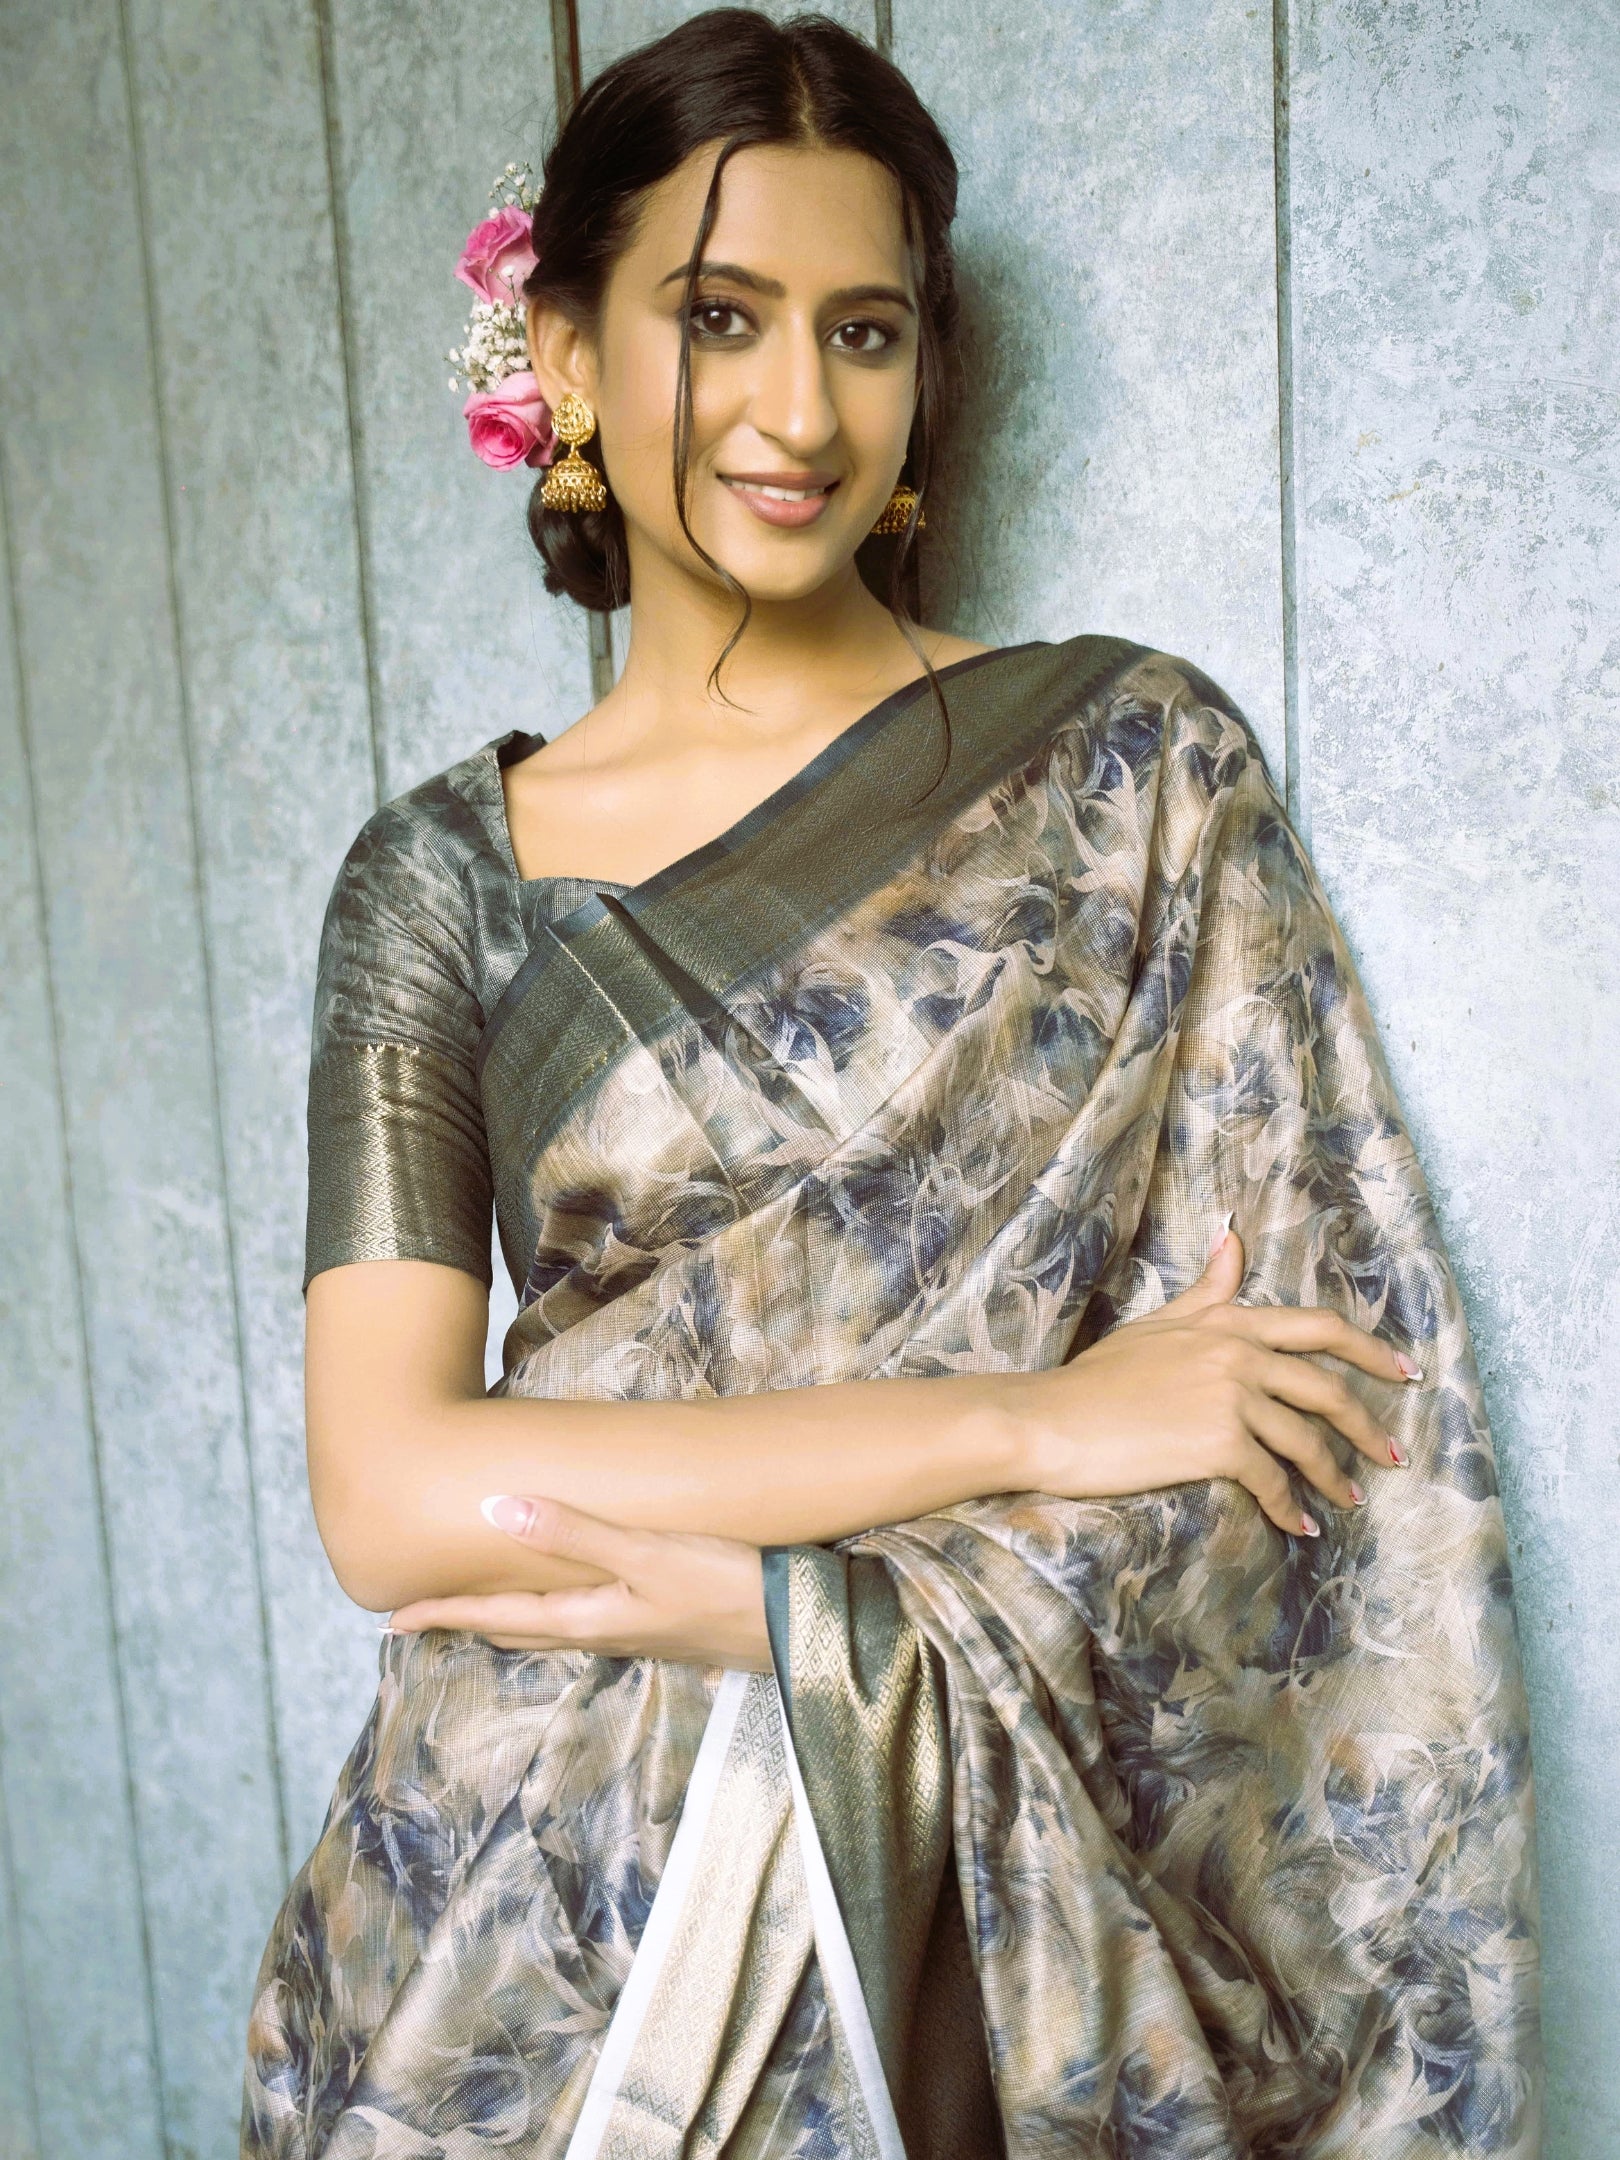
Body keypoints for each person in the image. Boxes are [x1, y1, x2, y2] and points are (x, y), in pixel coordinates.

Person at [240, 9, 1541, 2153]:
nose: (798, 409)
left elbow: (1311, 1443)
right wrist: (1029, 1424)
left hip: (995, 1942)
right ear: (562, 354)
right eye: (718, 318)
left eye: (863, 330)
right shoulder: (440, 883)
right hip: (518, 1921)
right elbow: (390, 1497)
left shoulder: (1130, 773)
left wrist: (784, 1623)